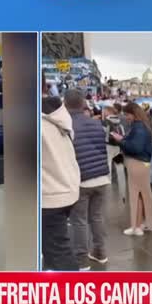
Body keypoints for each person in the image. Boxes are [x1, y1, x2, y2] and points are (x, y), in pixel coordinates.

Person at [64, 90, 111, 270]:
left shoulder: (67, 126)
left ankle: (82, 261)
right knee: (96, 217)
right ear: (83, 103)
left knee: (79, 221)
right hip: (101, 178)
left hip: (82, 180)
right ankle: (100, 252)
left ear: (65, 104)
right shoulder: (96, 123)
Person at [42, 96, 81, 271]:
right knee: (53, 250)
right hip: (66, 189)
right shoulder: (57, 115)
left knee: (58, 253)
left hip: (50, 195)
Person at [110, 103, 152, 236]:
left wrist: (120, 140)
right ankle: (148, 223)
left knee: (135, 195)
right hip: (143, 164)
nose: (126, 117)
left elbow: (135, 148)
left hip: (136, 164)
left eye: (127, 114)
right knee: (144, 195)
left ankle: (136, 227)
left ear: (133, 114)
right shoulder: (143, 126)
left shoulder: (138, 128)